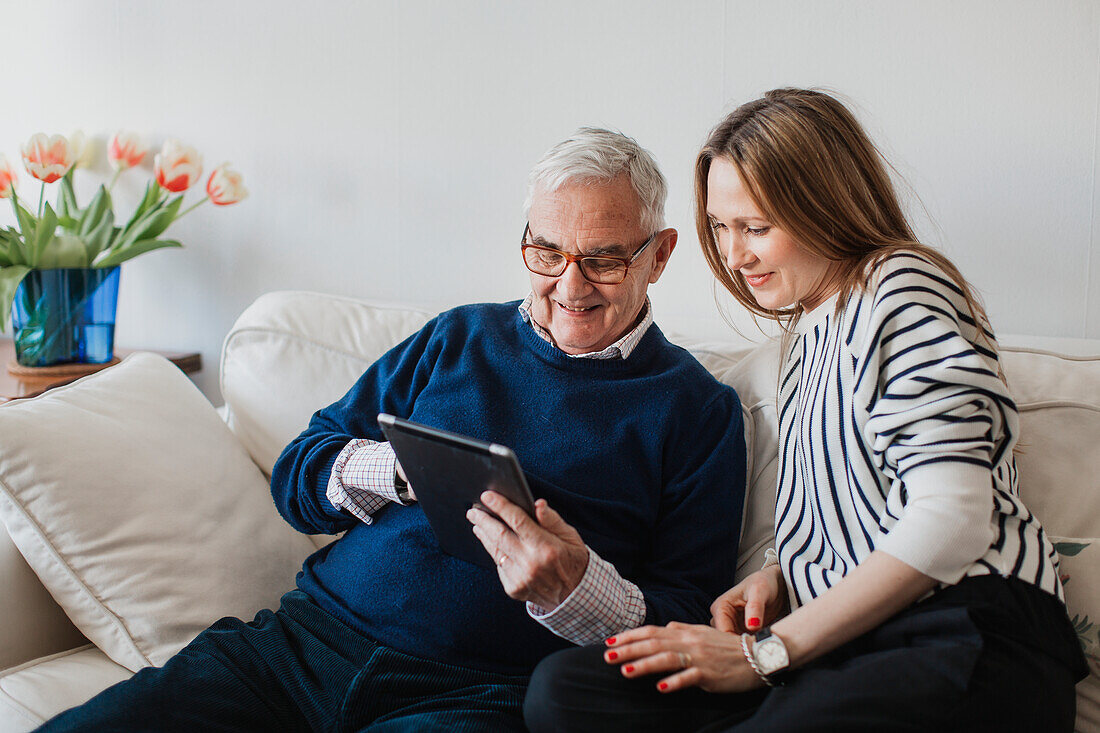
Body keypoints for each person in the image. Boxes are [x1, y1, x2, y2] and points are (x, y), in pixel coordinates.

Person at [38, 128, 746, 732]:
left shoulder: (697, 411)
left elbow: (690, 623)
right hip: (303, 644)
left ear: (659, 254)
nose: (569, 283)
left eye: (603, 258)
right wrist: (395, 469)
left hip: (479, 692)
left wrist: (573, 587)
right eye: (547, 251)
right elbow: (298, 474)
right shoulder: (457, 337)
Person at [523, 89, 1089, 732]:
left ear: (825, 206)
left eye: (756, 228)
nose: (735, 257)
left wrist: (764, 655)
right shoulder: (801, 344)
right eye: (720, 228)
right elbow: (852, 501)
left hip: (962, 632)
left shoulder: (899, 285)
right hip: (840, 651)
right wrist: (780, 575)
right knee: (567, 692)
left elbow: (953, 518)